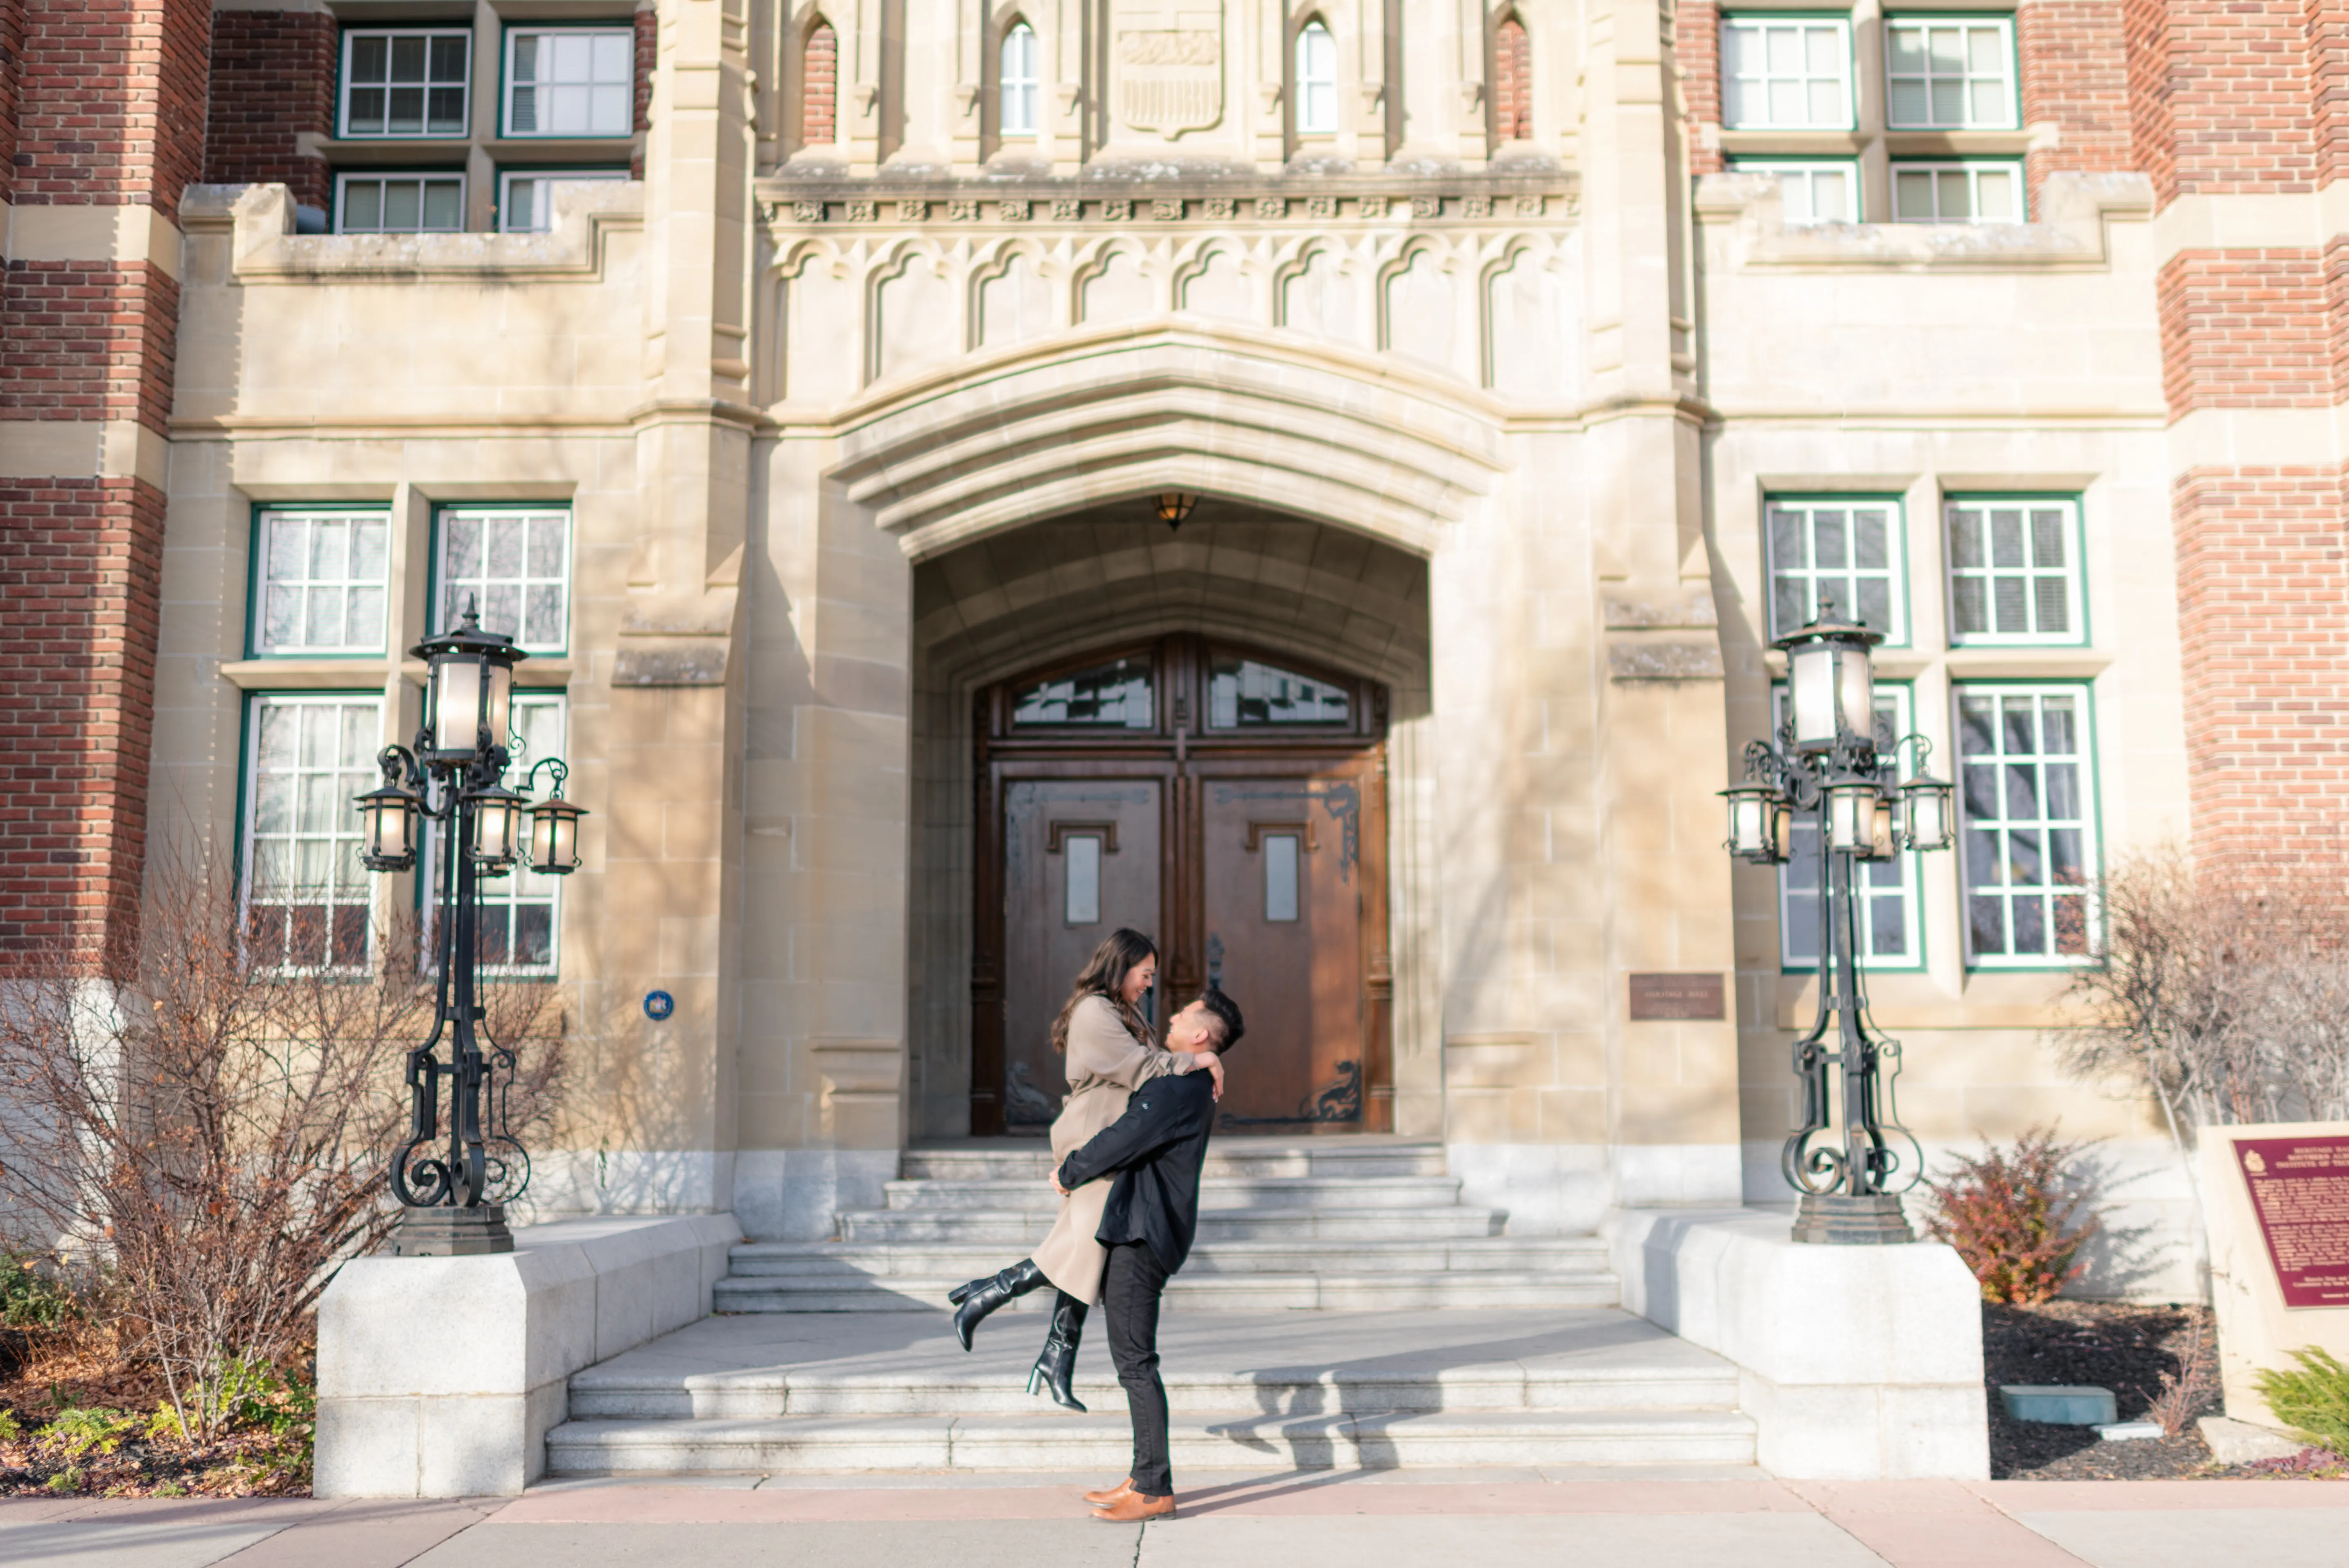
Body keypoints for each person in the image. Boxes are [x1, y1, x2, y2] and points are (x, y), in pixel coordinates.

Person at [944, 930, 1225, 1410]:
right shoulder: (1095, 1009)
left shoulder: (1119, 1011)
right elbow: (1139, 1066)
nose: (1149, 985)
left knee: (1087, 1251)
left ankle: (1055, 1354)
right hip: (1093, 1134)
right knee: (1087, 1245)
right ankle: (988, 1294)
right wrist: (1201, 1057)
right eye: (1145, 974)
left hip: (1108, 1137)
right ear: (1123, 966)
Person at [1054, 988, 1245, 1523]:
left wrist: (1069, 1170)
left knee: (1136, 1361)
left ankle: (1154, 1487)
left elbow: (1126, 1134)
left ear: (1201, 1034)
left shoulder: (1180, 1084)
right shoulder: (1188, 1079)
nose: (1174, 1015)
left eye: (1184, 1013)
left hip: (1143, 1234)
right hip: (1139, 1228)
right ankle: (1143, 1476)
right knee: (1131, 1359)